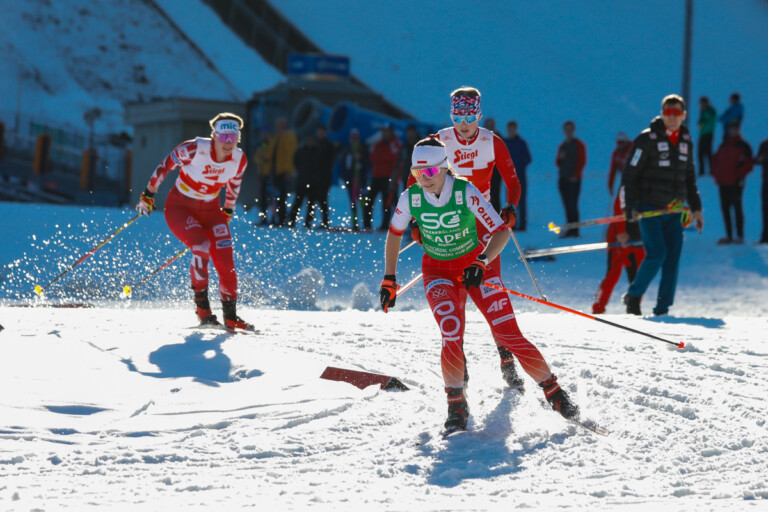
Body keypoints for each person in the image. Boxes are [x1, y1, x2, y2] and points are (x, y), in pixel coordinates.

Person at [381, 138, 579, 432]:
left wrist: (482, 261)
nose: (425, 179)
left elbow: (501, 231)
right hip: (438, 271)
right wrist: (389, 277)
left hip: (475, 268)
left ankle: (554, 392)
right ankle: (456, 403)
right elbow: (395, 234)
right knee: (451, 332)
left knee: (507, 334)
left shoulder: (464, 192)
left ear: (445, 168)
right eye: (418, 172)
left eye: (431, 173)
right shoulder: (411, 197)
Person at [405, 86, 524, 389]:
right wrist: (417, 221)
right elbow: (415, 181)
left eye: (470, 114)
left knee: (491, 290)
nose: (464, 121)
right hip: (448, 221)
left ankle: (505, 354)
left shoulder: (491, 141)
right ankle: (458, 353)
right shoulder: (439, 141)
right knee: (455, 293)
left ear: (479, 115)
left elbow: (512, 181)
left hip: (481, 222)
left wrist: (510, 207)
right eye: (459, 114)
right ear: (452, 115)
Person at [135, 112, 252, 330]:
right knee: (201, 246)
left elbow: (234, 184)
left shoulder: (239, 158)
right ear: (214, 136)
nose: (228, 144)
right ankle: (203, 310)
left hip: (211, 210)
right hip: (180, 207)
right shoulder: (194, 148)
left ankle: (231, 315)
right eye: (224, 137)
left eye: (233, 138)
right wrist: (149, 194)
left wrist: (228, 208)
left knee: (226, 261)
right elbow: (165, 165)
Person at [621, 94, 704, 316]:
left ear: (684, 115)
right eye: (668, 112)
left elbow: (690, 176)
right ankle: (634, 294)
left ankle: (663, 309)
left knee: (672, 259)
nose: (672, 117)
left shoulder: (686, 140)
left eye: (677, 113)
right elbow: (629, 175)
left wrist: (697, 208)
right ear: (662, 113)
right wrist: (628, 207)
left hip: (675, 209)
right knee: (657, 254)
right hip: (649, 207)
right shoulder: (646, 140)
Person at [592, 188, 645, 314]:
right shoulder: (629, 179)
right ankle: (598, 308)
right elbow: (618, 206)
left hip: (639, 236)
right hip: (619, 237)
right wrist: (621, 232)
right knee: (613, 274)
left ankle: (633, 305)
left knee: (639, 276)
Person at [711, 122, 753, 244]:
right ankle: (729, 235)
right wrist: (716, 174)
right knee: (725, 209)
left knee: (737, 208)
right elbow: (715, 160)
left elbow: (748, 164)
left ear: (738, 130)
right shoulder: (724, 145)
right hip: (723, 182)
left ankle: (739, 236)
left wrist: (738, 175)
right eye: (731, 129)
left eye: (734, 129)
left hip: (736, 182)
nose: (732, 131)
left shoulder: (744, 146)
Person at [365, 123, 401, 230]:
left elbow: (394, 159)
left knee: (388, 203)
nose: (384, 133)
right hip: (376, 176)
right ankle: (367, 225)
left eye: (386, 131)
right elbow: (372, 157)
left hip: (389, 177)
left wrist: (380, 156)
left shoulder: (395, 143)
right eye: (383, 131)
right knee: (369, 200)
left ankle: (385, 225)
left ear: (391, 132)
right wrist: (381, 157)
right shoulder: (379, 143)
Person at [263, 117, 298, 226]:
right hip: (275, 172)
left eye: (278, 125)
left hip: (283, 172)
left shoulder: (288, 137)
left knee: (282, 197)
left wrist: (288, 171)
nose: (276, 127)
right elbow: (270, 153)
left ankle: (282, 219)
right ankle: (276, 217)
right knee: (274, 196)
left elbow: (290, 155)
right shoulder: (276, 137)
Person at [556, 120, 587, 238]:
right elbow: (558, 162)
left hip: (574, 180)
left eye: (570, 129)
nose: (568, 132)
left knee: (573, 205)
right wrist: (561, 158)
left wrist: (576, 175)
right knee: (567, 205)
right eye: (566, 129)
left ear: (573, 130)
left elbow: (582, 161)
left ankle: (575, 230)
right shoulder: (563, 146)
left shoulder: (579, 144)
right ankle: (570, 228)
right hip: (563, 179)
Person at [339, 129, 370, 231]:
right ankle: (355, 223)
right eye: (352, 138)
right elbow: (343, 166)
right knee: (353, 203)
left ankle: (366, 224)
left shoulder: (363, 149)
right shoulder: (347, 150)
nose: (354, 140)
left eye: (356, 138)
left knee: (363, 203)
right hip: (351, 181)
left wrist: (360, 159)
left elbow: (368, 164)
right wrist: (345, 178)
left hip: (361, 180)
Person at [503, 121, 532, 231]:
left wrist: (520, 166)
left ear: (516, 129)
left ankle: (523, 224)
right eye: (509, 129)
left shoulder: (521, 143)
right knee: (510, 200)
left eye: (513, 129)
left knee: (522, 200)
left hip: (520, 176)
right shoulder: (505, 143)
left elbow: (528, 158)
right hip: (509, 177)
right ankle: (512, 223)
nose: (511, 131)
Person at [306, 124, 337, 228]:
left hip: (324, 177)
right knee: (311, 199)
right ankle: (308, 221)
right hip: (314, 177)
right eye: (318, 132)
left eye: (321, 132)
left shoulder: (328, 145)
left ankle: (325, 222)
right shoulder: (315, 145)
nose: (319, 134)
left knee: (322, 200)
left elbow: (329, 161)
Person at [288, 133, 317, 228]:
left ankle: (308, 222)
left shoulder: (317, 151)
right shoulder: (301, 151)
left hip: (312, 181)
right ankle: (292, 220)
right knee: (297, 202)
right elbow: (295, 161)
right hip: (302, 180)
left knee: (311, 203)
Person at [252, 127, 273, 225]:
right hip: (262, 174)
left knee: (272, 198)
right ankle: (263, 218)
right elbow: (256, 158)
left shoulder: (272, 144)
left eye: (266, 133)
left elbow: (271, 157)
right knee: (263, 199)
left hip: (271, 174)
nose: (264, 136)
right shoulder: (262, 144)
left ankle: (274, 218)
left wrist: (266, 159)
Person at [483, 117, 504, 212]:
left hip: (496, 171)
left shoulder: (499, 138)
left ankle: (496, 217)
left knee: (495, 194)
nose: (490, 127)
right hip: (482, 171)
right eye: (488, 125)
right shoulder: (479, 138)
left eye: (492, 125)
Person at [697, 96, 716, 176]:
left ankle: (711, 170)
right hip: (702, 134)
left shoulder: (710, 111)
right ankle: (702, 171)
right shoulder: (703, 112)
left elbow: (710, 118)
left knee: (708, 153)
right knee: (700, 153)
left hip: (708, 134)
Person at [756, 129, 768, 244]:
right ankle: (765, 236)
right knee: (765, 208)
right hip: (766, 180)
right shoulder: (764, 145)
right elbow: (757, 160)